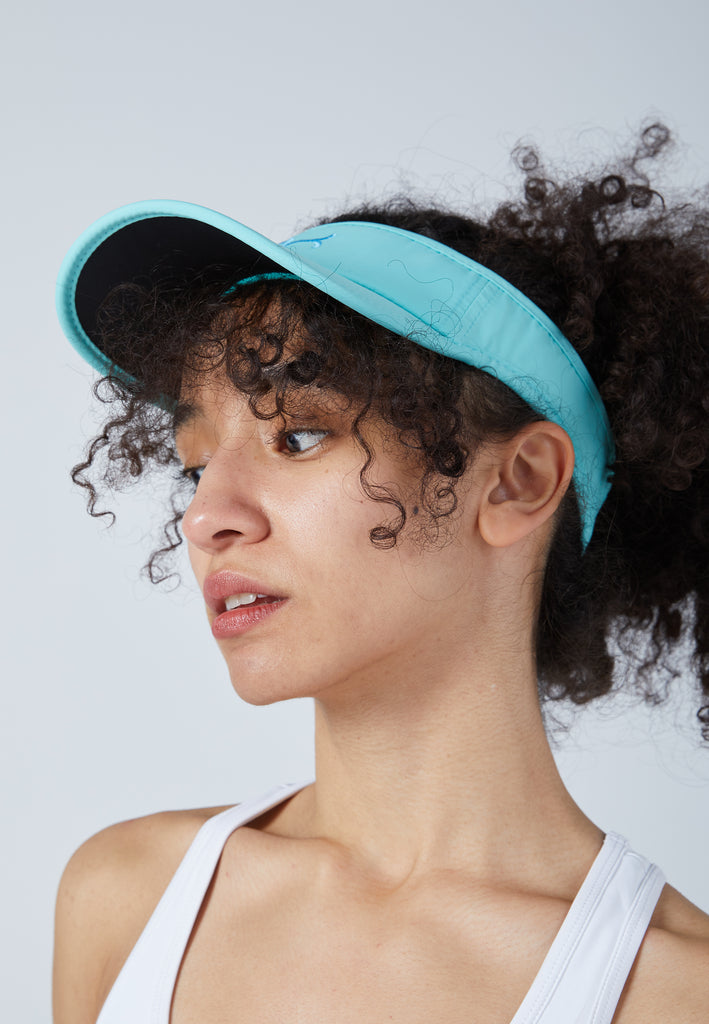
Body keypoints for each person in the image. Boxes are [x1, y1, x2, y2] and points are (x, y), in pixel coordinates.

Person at [53, 124, 709, 1024]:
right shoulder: (128, 899)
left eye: (298, 436)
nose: (206, 518)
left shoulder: (675, 995)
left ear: (517, 484)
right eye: (194, 464)